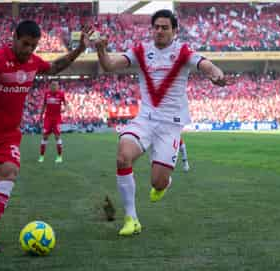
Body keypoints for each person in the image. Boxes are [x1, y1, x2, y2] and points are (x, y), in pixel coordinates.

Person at [0, 20, 93, 252]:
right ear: (14, 38)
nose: (28, 50)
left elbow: (54, 67)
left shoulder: (33, 62)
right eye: (25, 44)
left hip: (6, 136)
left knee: (9, 174)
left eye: (33, 46)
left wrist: (79, 50)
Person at [96, 9, 232, 236]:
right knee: (123, 156)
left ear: (174, 31)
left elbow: (206, 65)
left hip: (170, 125)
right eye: (156, 27)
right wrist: (101, 48)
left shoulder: (182, 52)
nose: (159, 31)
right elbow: (110, 65)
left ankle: (164, 183)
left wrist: (216, 74)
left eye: (164, 27)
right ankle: (132, 219)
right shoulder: (141, 51)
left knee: (158, 183)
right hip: (145, 120)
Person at [38, 80, 67, 163]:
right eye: (53, 85)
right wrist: (40, 116)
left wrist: (66, 108)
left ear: (58, 86)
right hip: (48, 118)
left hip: (57, 119)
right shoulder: (47, 94)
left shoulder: (61, 94)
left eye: (56, 85)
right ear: (50, 86)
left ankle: (59, 157)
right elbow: (44, 105)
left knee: (57, 137)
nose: (54, 86)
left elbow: (65, 103)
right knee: (45, 137)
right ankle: (41, 156)